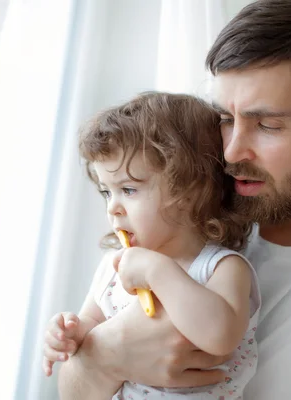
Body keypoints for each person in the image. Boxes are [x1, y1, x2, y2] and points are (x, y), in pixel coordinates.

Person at [58, 0, 291, 399]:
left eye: (268, 125)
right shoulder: (184, 209)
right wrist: (104, 357)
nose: (231, 152)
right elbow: (73, 389)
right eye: (225, 119)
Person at [44, 92, 261, 398]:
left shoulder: (221, 268)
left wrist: (159, 271)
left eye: (129, 189)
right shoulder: (112, 267)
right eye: (108, 192)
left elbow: (220, 336)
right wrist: (71, 334)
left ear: (190, 190)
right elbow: (91, 335)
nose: (113, 208)